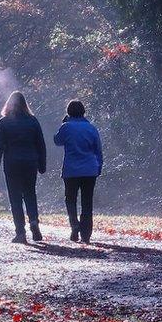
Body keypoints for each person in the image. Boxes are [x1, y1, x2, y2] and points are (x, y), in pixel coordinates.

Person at [0, 91, 47, 243]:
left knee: (15, 198)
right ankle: (34, 221)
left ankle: (20, 232)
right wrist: (42, 165)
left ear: (9, 104)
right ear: (24, 104)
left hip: (12, 164)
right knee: (30, 193)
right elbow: (40, 144)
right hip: (30, 163)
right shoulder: (33, 121)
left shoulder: (4, 122)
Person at [53, 100, 103, 244]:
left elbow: (57, 141)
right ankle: (86, 234)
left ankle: (74, 225)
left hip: (71, 170)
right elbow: (98, 150)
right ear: (83, 112)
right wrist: (98, 167)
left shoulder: (66, 127)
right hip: (89, 170)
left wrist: (63, 124)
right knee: (87, 202)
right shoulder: (91, 128)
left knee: (71, 199)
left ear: (68, 112)